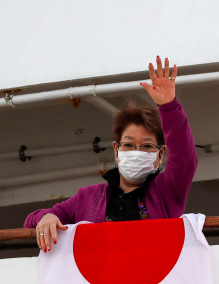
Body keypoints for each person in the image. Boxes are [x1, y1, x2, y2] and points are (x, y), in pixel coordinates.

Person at [24, 56, 198, 252]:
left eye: (147, 146)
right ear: (116, 151)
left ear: (160, 154)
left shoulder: (167, 192)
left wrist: (169, 106)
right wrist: (45, 218)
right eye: (129, 145)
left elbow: (185, 158)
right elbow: (32, 220)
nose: (137, 152)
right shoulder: (87, 197)